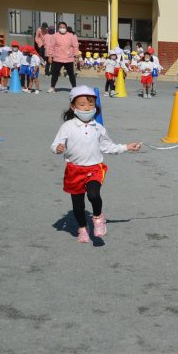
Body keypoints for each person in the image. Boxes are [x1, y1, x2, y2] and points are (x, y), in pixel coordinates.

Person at [50, 86, 141, 243]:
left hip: (94, 168)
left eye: (91, 104)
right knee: (78, 206)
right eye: (82, 104)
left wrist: (126, 147)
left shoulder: (98, 128)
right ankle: (83, 228)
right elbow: (55, 145)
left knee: (93, 194)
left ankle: (98, 218)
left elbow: (108, 146)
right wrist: (58, 148)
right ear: (73, 106)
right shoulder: (67, 126)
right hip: (74, 169)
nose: (87, 108)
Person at [47, 22, 79, 93]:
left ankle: (74, 88)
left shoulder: (71, 35)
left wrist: (76, 56)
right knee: (55, 74)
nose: (62, 29)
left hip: (69, 58)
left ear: (66, 28)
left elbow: (75, 46)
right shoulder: (55, 36)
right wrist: (50, 56)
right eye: (61, 27)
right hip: (57, 58)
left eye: (64, 27)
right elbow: (51, 46)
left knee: (71, 74)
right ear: (58, 28)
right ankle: (52, 87)